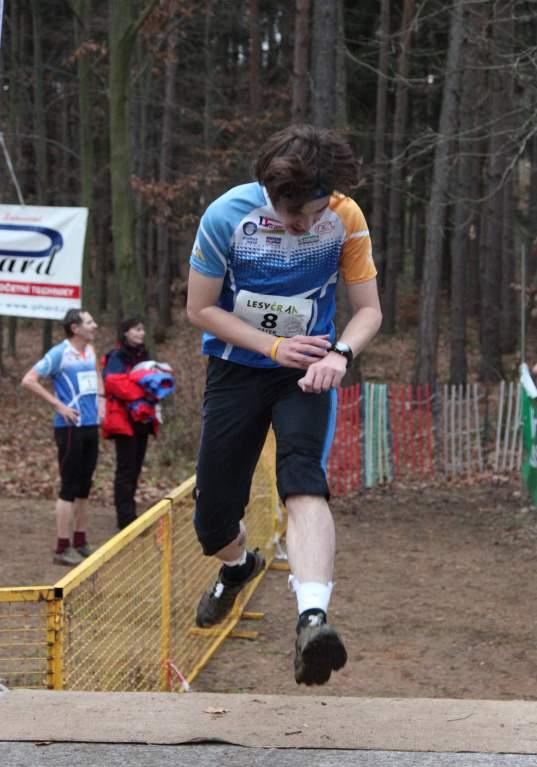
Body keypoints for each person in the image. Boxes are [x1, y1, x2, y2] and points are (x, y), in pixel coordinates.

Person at [186, 124, 382, 686]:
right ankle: (237, 567)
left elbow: (369, 310)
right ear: (269, 193)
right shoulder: (227, 216)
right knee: (213, 520)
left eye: (311, 214)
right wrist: (272, 345)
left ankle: (312, 620)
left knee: (303, 481)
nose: (302, 226)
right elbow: (199, 309)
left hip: (308, 369)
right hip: (237, 369)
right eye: (292, 215)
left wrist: (340, 355)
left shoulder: (345, 217)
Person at [21, 308, 104, 566]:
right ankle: (62, 547)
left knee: (85, 485)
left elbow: (97, 374)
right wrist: (59, 406)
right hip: (69, 427)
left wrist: (101, 400)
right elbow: (29, 380)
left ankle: (80, 540)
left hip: (90, 425)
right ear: (75, 328)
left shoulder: (90, 350)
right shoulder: (60, 353)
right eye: (89, 322)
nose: (95, 325)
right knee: (69, 487)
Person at [102, 317, 173, 530]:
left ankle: (130, 515)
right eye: (136, 329)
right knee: (125, 470)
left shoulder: (144, 355)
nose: (141, 333)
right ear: (125, 332)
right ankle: (125, 520)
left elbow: (155, 381)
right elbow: (113, 383)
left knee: (135, 469)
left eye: (142, 329)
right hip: (124, 420)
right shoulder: (117, 356)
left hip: (143, 420)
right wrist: (142, 389)